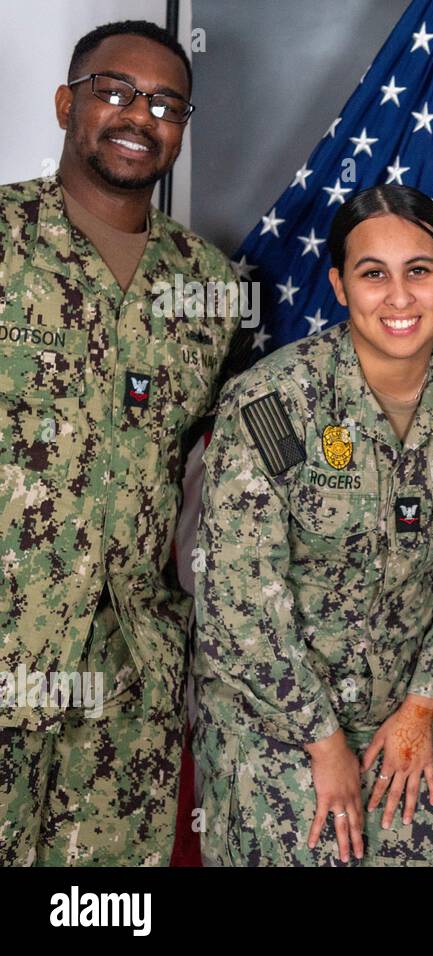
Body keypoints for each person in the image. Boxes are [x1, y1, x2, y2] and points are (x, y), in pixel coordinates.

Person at [191, 185, 433, 865]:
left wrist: (426, 701)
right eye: (373, 274)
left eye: (420, 271)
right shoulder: (273, 401)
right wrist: (321, 740)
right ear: (340, 286)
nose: (399, 297)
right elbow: (237, 595)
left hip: (412, 720)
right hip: (275, 731)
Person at [0, 19, 243, 866]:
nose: (139, 115)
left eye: (166, 103)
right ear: (69, 103)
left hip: (128, 678)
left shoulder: (210, 289)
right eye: (115, 92)